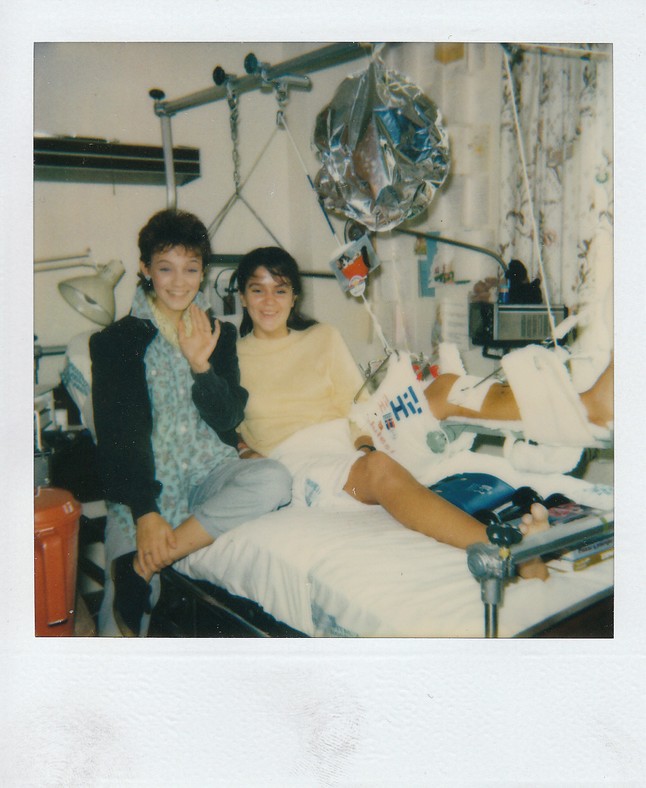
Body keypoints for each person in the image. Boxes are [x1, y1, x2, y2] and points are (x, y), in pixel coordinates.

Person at [233, 246, 613, 580]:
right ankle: (508, 551)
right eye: (257, 289)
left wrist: (365, 443)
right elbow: (224, 428)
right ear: (243, 296)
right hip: (300, 460)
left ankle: (587, 409)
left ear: (294, 297)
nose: (269, 301)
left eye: (280, 289)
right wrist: (246, 451)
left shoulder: (323, 337)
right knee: (380, 469)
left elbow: (356, 406)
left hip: (356, 439)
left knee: (444, 388)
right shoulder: (230, 357)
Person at [90, 212, 292, 637]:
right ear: (146, 269)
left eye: (191, 269)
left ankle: (142, 566)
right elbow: (119, 437)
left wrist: (201, 365)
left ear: (203, 272)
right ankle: (136, 570)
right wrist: (146, 514)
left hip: (207, 474)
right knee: (119, 629)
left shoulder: (220, 334)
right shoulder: (116, 341)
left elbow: (228, 418)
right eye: (166, 268)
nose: (180, 282)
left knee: (274, 479)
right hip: (147, 485)